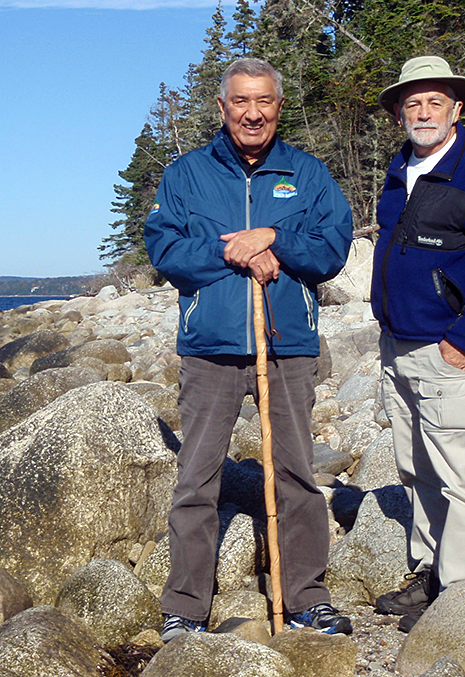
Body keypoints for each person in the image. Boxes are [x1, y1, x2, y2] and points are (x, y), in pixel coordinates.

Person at [144, 57, 353, 641]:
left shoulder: (307, 174)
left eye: (263, 101)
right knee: (197, 478)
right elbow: (165, 251)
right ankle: (186, 606)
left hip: (287, 347)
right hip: (210, 347)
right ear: (223, 107)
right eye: (241, 102)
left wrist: (275, 240)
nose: (253, 113)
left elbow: (332, 246)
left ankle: (306, 596)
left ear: (278, 106)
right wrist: (233, 250)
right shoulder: (185, 175)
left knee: (296, 474)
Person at [370, 56, 465, 632]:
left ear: (456, 109)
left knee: (462, 471)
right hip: (396, 345)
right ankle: (431, 571)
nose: (423, 112)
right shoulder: (399, 169)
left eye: (435, 101)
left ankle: (462, 599)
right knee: (415, 467)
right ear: (399, 114)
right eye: (412, 103)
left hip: (446, 346)